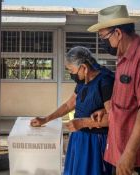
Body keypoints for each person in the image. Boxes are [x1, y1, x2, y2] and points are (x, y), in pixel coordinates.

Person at [87, 5, 140, 175]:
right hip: (122, 152)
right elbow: (129, 103)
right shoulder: (123, 60)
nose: (103, 42)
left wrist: (129, 153)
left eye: (104, 37)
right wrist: (108, 113)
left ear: (118, 33)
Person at [30, 46, 114, 175]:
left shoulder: (105, 81)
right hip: (78, 137)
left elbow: (113, 118)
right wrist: (46, 119)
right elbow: (69, 104)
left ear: (84, 68)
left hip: (95, 142)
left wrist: (83, 123)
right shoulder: (82, 80)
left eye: (71, 70)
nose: (71, 74)